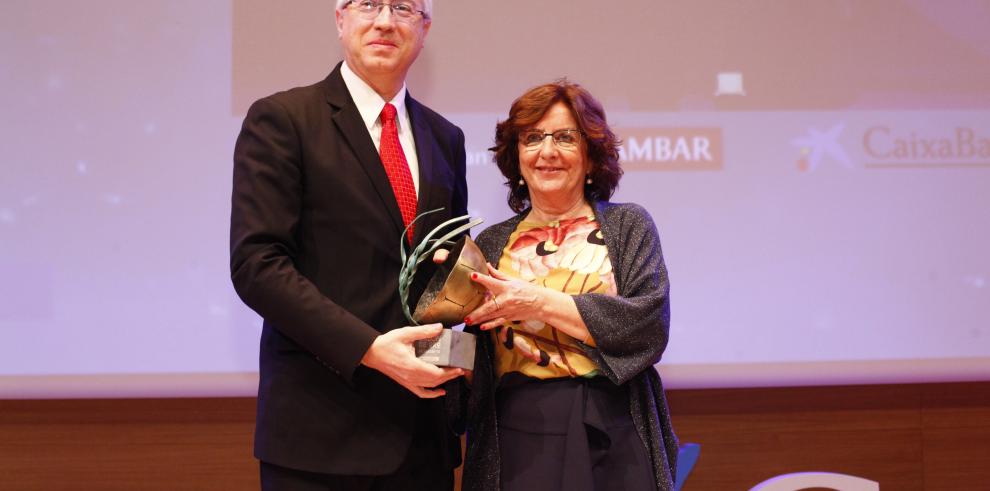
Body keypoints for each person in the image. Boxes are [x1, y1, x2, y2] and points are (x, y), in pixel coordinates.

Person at [229, 1, 468, 489]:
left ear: (424, 29)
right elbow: (257, 265)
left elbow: (447, 272)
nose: (384, 21)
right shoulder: (283, 120)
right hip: (320, 438)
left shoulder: (445, 137)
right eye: (368, 5)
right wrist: (370, 349)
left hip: (424, 439)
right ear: (340, 20)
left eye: (402, 8)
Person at [459, 81, 679, 490]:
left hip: (616, 424)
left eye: (564, 137)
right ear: (517, 159)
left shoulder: (628, 225)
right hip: (519, 432)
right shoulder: (490, 243)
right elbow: (475, 354)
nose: (547, 152)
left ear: (592, 157)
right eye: (533, 138)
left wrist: (537, 303)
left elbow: (647, 326)